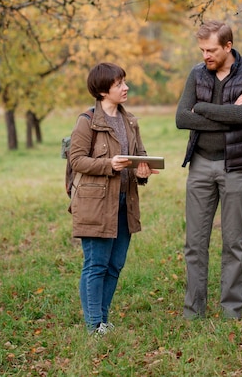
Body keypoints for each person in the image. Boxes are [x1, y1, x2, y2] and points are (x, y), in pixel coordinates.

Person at [175, 20, 242, 320]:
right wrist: (226, 115)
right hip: (200, 164)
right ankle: (193, 312)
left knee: (234, 242)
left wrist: (202, 108)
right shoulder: (197, 73)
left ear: (228, 46)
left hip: (235, 165)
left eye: (211, 50)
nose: (205, 56)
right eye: (202, 50)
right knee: (195, 243)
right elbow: (181, 118)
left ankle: (231, 312)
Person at [69, 62, 158, 336]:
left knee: (115, 264)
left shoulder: (130, 121)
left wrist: (143, 171)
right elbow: (76, 160)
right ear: (103, 90)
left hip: (123, 203)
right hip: (95, 204)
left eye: (124, 82)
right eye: (119, 83)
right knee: (96, 264)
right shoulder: (87, 122)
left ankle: (102, 321)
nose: (126, 87)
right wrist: (110, 164)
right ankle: (94, 324)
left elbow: (138, 155)